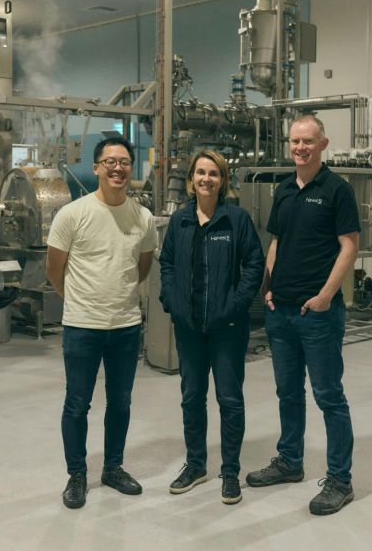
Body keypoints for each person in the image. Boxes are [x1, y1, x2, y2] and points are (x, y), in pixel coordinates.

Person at [245, 115, 360, 516]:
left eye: (308, 141)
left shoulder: (337, 190)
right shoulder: (282, 190)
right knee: (288, 393)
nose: (301, 148)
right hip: (282, 312)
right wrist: (270, 288)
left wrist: (327, 296)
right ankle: (290, 462)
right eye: (295, 141)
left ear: (323, 144)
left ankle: (340, 480)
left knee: (329, 396)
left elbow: (349, 246)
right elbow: (277, 240)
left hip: (318, 314)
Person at [46, 136, 158, 510]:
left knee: (121, 402)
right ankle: (77, 474)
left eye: (124, 162)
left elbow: (142, 267)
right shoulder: (72, 214)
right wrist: (79, 300)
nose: (118, 168)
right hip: (82, 326)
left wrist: (116, 295)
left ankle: (113, 467)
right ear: (96, 168)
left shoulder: (142, 217)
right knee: (77, 403)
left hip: (126, 325)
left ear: (131, 169)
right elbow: (54, 270)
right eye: (110, 161)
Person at [159, 150, 264, 505]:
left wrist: (233, 306)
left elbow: (254, 266)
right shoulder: (180, 221)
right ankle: (196, 464)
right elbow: (168, 265)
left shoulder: (236, 220)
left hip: (228, 328)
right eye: (200, 172)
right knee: (191, 398)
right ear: (191, 179)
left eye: (214, 173)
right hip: (189, 327)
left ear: (223, 181)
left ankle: (230, 471)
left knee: (229, 399)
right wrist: (173, 303)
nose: (206, 179)